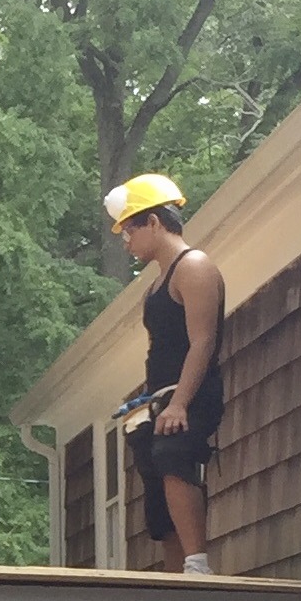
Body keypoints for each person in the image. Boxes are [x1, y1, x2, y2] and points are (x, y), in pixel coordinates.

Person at [107, 173, 226, 575]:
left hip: (191, 395)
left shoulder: (193, 266)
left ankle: (197, 564)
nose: (126, 241)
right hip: (163, 396)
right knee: (153, 475)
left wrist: (179, 404)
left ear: (154, 222)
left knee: (172, 454)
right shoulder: (155, 284)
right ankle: (178, 576)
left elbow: (203, 342)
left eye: (129, 230)